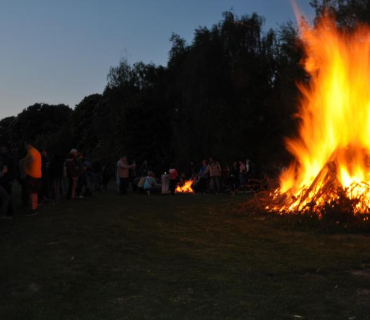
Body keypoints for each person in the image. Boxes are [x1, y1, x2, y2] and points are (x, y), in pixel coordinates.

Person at [24, 142, 42, 215]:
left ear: (29, 144)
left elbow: (32, 159)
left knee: (32, 192)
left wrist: (27, 164)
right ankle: (35, 207)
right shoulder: (37, 152)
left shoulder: (31, 151)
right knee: (35, 192)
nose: (25, 147)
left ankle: (33, 209)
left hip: (32, 174)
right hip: (38, 174)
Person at [0, 145, 14, 217]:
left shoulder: (9, 158)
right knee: (5, 196)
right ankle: (4, 213)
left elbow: (12, 170)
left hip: (6, 180)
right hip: (2, 180)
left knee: (6, 195)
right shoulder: (1, 159)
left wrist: (11, 179)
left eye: (3, 149)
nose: (2, 151)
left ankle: (8, 211)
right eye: (1, 149)